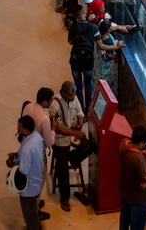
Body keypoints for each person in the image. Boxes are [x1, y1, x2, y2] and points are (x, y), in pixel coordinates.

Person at [52, 81, 94, 211]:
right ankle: (65, 198)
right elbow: (57, 129)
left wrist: (80, 126)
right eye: (70, 95)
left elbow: (80, 114)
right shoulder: (55, 106)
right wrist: (74, 132)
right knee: (63, 168)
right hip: (60, 139)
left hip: (73, 132)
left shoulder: (74, 97)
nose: (73, 97)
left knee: (88, 147)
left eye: (74, 94)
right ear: (63, 93)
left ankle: (72, 158)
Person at [6, 114, 48, 228]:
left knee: (30, 214)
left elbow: (23, 171)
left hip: (29, 187)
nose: (17, 129)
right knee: (33, 210)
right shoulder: (37, 137)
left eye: (19, 128)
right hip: (37, 180)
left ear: (25, 130)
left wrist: (13, 166)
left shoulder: (27, 148)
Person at [119, 126, 146, 230]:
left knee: (124, 219)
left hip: (124, 192)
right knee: (137, 225)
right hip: (137, 199)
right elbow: (144, 183)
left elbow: (132, 150)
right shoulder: (139, 160)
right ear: (140, 144)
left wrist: (143, 152)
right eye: (145, 143)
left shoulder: (123, 144)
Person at [68, 4, 100, 111]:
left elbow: (70, 42)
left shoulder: (73, 28)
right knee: (88, 85)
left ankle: (80, 110)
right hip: (88, 61)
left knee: (78, 85)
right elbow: (100, 44)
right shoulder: (93, 28)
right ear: (83, 12)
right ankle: (88, 110)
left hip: (76, 61)